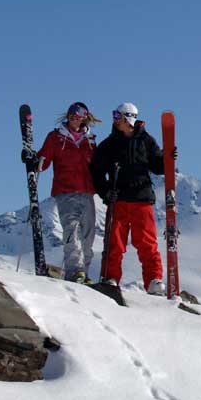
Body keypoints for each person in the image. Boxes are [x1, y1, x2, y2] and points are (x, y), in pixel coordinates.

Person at [89, 102, 176, 295]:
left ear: (128, 118)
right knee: (114, 243)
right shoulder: (109, 144)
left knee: (146, 242)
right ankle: (110, 278)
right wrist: (104, 192)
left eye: (118, 116)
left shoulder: (146, 141)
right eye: (114, 115)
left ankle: (154, 280)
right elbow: (96, 171)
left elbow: (157, 167)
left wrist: (168, 159)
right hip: (118, 199)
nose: (115, 119)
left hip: (141, 199)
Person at [23, 102, 101, 283]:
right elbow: (44, 161)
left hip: (87, 191)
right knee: (71, 230)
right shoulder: (56, 137)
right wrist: (33, 160)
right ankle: (75, 270)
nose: (73, 118)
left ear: (84, 118)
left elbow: (97, 166)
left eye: (77, 115)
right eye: (71, 115)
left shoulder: (90, 141)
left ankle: (84, 272)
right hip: (65, 190)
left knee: (89, 234)